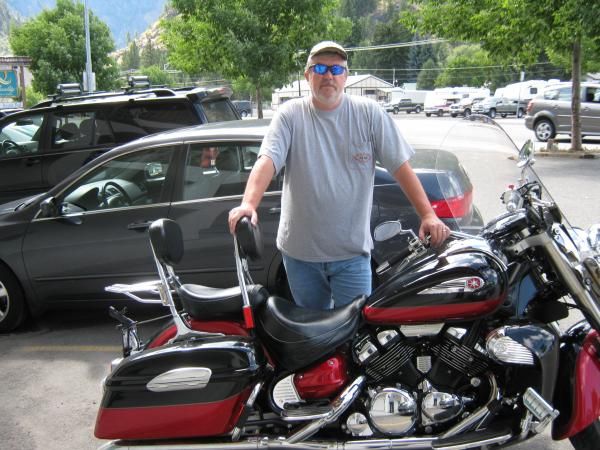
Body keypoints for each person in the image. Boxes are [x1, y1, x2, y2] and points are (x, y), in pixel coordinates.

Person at [228, 40, 451, 310]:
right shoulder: (289, 115)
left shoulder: (369, 114)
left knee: (356, 336)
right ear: (308, 75)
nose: (328, 75)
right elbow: (268, 160)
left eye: (336, 69)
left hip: (352, 256)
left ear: (346, 76)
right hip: (300, 256)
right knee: (315, 336)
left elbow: (400, 167)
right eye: (320, 67)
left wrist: (428, 215)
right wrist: (248, 204)